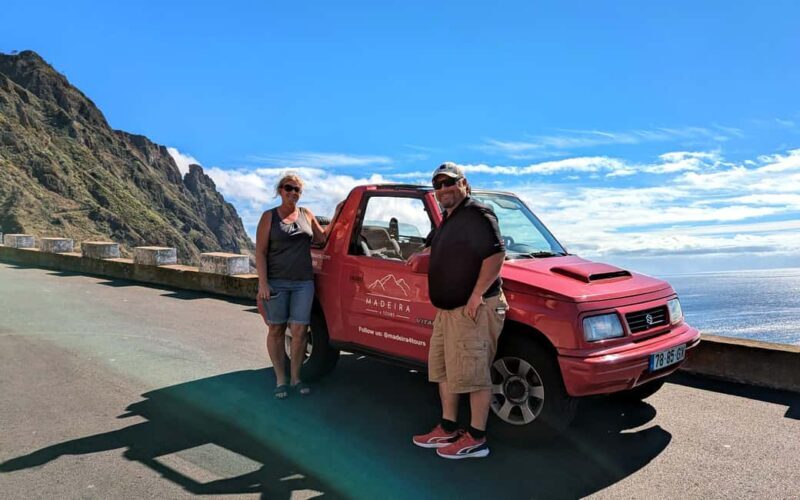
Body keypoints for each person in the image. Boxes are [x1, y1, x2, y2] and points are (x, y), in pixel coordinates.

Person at [411, 162, 508, 459]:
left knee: (474, 374)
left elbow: (496, 253)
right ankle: (448, 428)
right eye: (438, 185)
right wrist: (422, 255)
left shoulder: (477, 214)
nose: (443, 189)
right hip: (448, 312)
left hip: (472, 309)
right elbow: (436, 247)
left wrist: (476, 295)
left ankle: (476, 439)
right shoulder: (449, 219)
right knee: (445, 372)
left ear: (463, 183)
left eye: (449, 183)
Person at [255, 173, 333, 399]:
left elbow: (321, 238)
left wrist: (339, 213)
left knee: (299, 331)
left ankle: (296, 378)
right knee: (276, 329)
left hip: (303, 283)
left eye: (297, 189)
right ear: (280, 190)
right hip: (276, 282)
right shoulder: (269, 217)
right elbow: (260, 252)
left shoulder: (306, 214)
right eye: (289, 188)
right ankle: (281, 379)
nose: (293, 193)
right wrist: (263, 283)